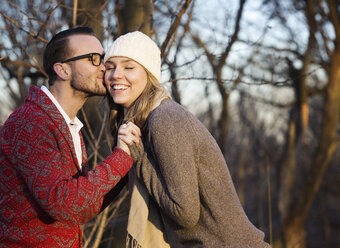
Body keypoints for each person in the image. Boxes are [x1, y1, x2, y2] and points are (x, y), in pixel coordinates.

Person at [104, 31, 272, 248]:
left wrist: (140, 157)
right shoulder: (144, 123)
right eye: (109, 67)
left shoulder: (166, 119)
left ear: (148, 74)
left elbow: (185, 213)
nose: (116, 75)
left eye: (129, 67)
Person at [0, 27, 141, 248]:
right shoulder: (30, 122)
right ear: (62, 70)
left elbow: (82, 207)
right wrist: (120, 157)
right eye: (94, 59)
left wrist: (127, 169)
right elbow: (62, 203)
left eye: (104, 58)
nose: (105, 67)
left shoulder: (68, 126)